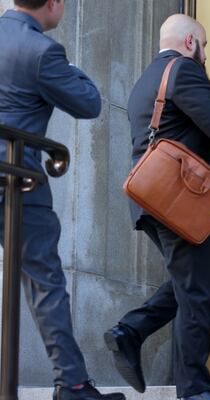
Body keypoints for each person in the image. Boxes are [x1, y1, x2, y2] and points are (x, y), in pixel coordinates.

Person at [103, 14, 210, 400]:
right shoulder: (183, 71)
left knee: (188, 283)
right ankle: (195, 390)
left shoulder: (146, 79)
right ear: (189, 43)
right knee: (197, 295)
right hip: (180, 204)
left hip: (153, 203)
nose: (205, 55)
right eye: (204, 46)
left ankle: (130, 332)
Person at [0, 1, 125, 399]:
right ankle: (71, 384)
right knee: (45, 285)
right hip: (17, 182)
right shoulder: (42, 52)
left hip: (16, 175)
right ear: (52, 4)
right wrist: (69, 66)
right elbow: (88, 103)